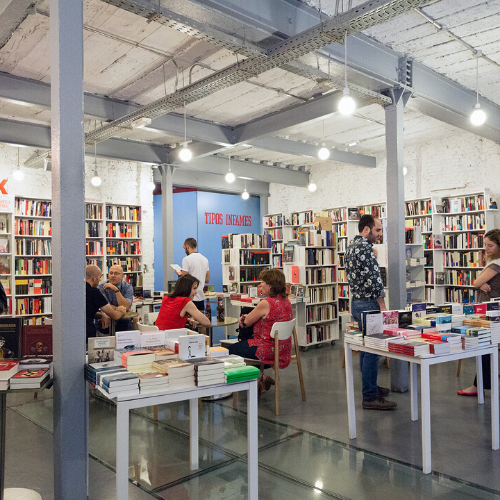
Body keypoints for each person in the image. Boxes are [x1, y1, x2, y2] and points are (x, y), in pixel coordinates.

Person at [345, 214, 397, 410]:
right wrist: (382, 306)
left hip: (357, 302)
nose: (380, 234)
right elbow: (375, 279)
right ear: (366, 229)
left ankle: (371, 387)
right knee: (373, 350)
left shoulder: (351, 246)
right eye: (377, 230)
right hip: (369, 303)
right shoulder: (365, 247)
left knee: (367, 349)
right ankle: (369, 395)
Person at [228, 269, 293, 397]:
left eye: (262, 282)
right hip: (282, 351)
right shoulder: (286, 301)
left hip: (266, 351)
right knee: (246, 347)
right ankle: (260, 378)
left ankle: (256, 379)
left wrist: (244, 318)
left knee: (230, 351)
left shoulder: (266, 303)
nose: (260, 285)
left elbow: (247, 322)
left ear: (270, 285)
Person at [458, 229, 500, 396]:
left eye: (490, 245)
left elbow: (475, 282)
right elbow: (481, 283)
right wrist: (483, 283)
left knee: (485, 346)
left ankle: (478, 385)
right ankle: (480, 384)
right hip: (491, 310)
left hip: (491, 312)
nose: (486, 249)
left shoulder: (496, 264)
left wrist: (480, 283)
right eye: (485, 245)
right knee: (489, 346)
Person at [86, 265, 127, 341]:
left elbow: (86, 312)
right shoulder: (94, 292)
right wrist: (121, 310)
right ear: (94, 278)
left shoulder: (78, 288)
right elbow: (115, 316)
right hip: (88, 334)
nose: (99, 280)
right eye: (99, 277)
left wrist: (101, 315)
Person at [98, 265, 134, 333]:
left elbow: (125, 306)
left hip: (124, 321)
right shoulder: (101, 287)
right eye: (111, 273)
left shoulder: (128, 287)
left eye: (116, 273)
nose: (113, 275)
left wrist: (116, 290)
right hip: (106, 319)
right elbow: (105, 307)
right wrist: (124, 309)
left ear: (122, 276)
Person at [177, 238, 210, 312]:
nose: (184, 250)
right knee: (200, 321)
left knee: (190, 322)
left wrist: (179, 274)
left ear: (187, 246)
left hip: (190, 298)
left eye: (184, 248)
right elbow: (207, 279)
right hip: (201, 298)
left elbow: (185, 279)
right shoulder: (205, 259)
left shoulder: (186, 259)